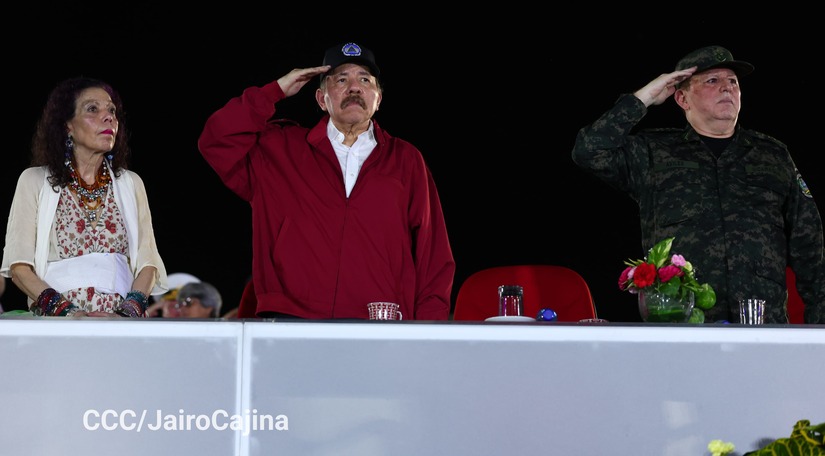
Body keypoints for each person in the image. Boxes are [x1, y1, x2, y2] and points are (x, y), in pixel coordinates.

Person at [198, 41, 455, 319]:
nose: (354, 87)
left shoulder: (405, 159)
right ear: (322, 99)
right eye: (341, 79)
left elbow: (433, 253)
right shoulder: (278, 149)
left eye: (365, 80)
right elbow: (216, 140)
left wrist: (430, 327)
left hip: (380, 320)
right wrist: (275, 91)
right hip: (291, 319)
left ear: (378, 99)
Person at [572, 45, 825, 324]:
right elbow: (589, 150)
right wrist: (644, 98)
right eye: (712, 81)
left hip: (761, 325)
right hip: (680, 325)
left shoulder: (772, 154)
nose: (727, 88)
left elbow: (810, 244)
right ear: (681, 98)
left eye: (733, 82)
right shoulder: (654, 152)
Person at [0, 76, 168, 317]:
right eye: (92, 109)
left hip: (120, 329)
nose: (108, 116)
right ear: (67, 125)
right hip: (57, 326)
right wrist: (70, 315)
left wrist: (124, 316)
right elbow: (19, 268)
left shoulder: (131, 184)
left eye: (111, 110)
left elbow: (148, 265)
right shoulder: (35, 181)